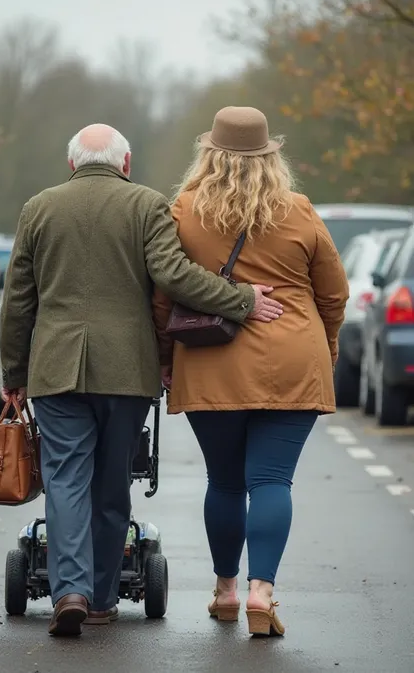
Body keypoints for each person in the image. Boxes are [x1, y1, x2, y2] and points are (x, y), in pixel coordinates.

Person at [0, 122, 284, 637]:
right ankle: (104, 599)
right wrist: (242, 301)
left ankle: (70, 591)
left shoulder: (38, 208)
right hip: (126, 372)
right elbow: (173, 276)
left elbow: (19, 299)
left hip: (56, 370)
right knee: (112, 484)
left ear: (71, 165)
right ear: (124, 164)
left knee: (64, 480)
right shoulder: (148, 206)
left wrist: (14, 373)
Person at [153, 106, 349, 637]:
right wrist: (325, 346)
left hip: (211, 362)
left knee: (224, 481)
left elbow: (162, 294)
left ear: (209, 154)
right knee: (271, 480)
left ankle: (225, 591)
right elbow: (333, 293)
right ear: (271, 157)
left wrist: (167, 359)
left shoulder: (185, 211)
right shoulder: (299, 210)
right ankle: (263, 592)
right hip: (292, 359)